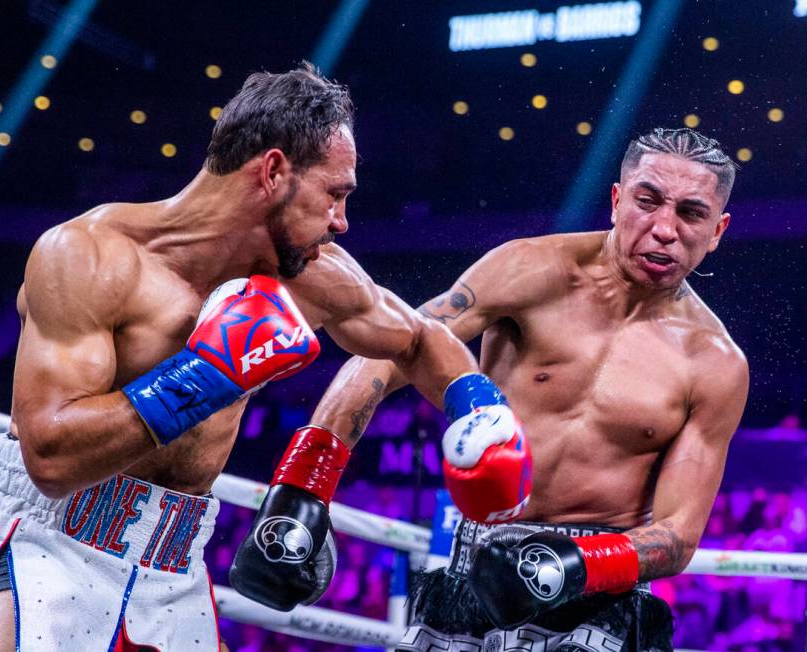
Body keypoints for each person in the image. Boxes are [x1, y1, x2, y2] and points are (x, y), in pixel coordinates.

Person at [0, 64, 520, 652]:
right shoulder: (92, 257)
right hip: (43, 539)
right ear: (275, 172)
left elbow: (417, 339)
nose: (342, 220)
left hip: (172, 565)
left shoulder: (310, 277)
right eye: (335, 194)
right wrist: (210, 376)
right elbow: (50, 458)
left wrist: (484, 415)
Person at [305, 128, 750, 651]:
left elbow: (678, 536)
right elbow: (389, 352)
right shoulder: (530, 271)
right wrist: (304, 488)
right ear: (615, 199)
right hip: (474, 568)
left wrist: (572, 567)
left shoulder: (714, 362)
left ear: (717, 230)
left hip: (598, 597)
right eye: (647, 201)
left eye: (691, 214)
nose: (663, 229)